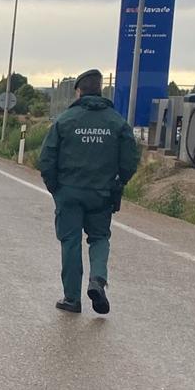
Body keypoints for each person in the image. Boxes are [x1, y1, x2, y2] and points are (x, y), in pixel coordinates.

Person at [38, 68, 139, 314]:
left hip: (69, 191)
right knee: (100, 238)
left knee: (70, 242)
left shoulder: (64, 120)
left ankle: (72, 299)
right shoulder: (117, 122)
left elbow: (47, 159)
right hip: (102, 192)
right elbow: (130, 160)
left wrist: (56, 188)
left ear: (79, 91)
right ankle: (97, 280)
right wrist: (118, 182)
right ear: (100, 90)